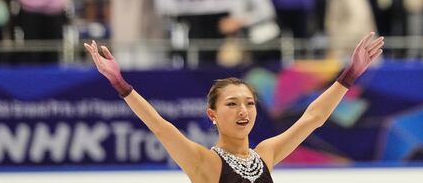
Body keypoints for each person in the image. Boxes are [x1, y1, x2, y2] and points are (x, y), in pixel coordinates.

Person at [84, 32, 383, 183]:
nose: (244, 111)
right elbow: (160, 126)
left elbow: (313, 118)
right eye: (232, 104)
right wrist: (119, 83)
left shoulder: (265, 154)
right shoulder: (205, 163)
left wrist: (350, 74)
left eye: (249, 103)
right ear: (211, 114)